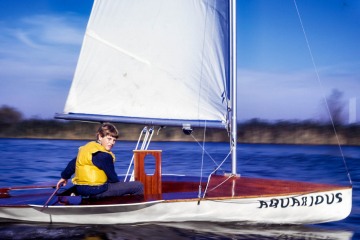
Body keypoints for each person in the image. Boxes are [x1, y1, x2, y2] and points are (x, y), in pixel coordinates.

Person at [56, 122, 144, 198]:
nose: (112, 143)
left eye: (114, 140)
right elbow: (113, 179)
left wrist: (64, 177)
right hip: (97, 191)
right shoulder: (104, 156)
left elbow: (73, 164)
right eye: (109, 139)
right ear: (100, 136)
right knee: (138, 186)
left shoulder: (87, 148)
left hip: (81, 189)